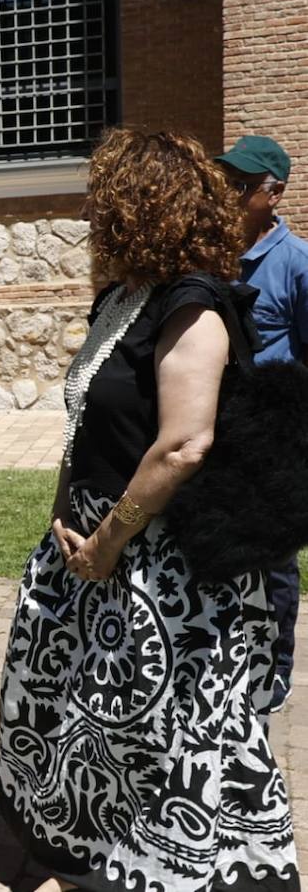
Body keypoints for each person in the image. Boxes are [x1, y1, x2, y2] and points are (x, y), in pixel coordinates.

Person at [0, 129, 299, 892]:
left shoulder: (191, 303)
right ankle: (100, 856)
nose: (93, 218)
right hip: (94, 553)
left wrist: (105, 541)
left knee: (171, 734)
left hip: (164, 570)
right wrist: (67, 525)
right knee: (92, 722)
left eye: (106, 203)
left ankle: (187, 869)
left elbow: (182, 446)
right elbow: (88, 420)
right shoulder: (124, 298)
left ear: (141, 209)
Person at [215, 134, 308, 713]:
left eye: (242, 187)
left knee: (274, 559)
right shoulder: (214, 256)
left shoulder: (298, 265)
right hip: (217, 427)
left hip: (274, 435)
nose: (229, 195)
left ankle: (274, 666)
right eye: (225, 183)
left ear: (273, 194)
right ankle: (226, 654)